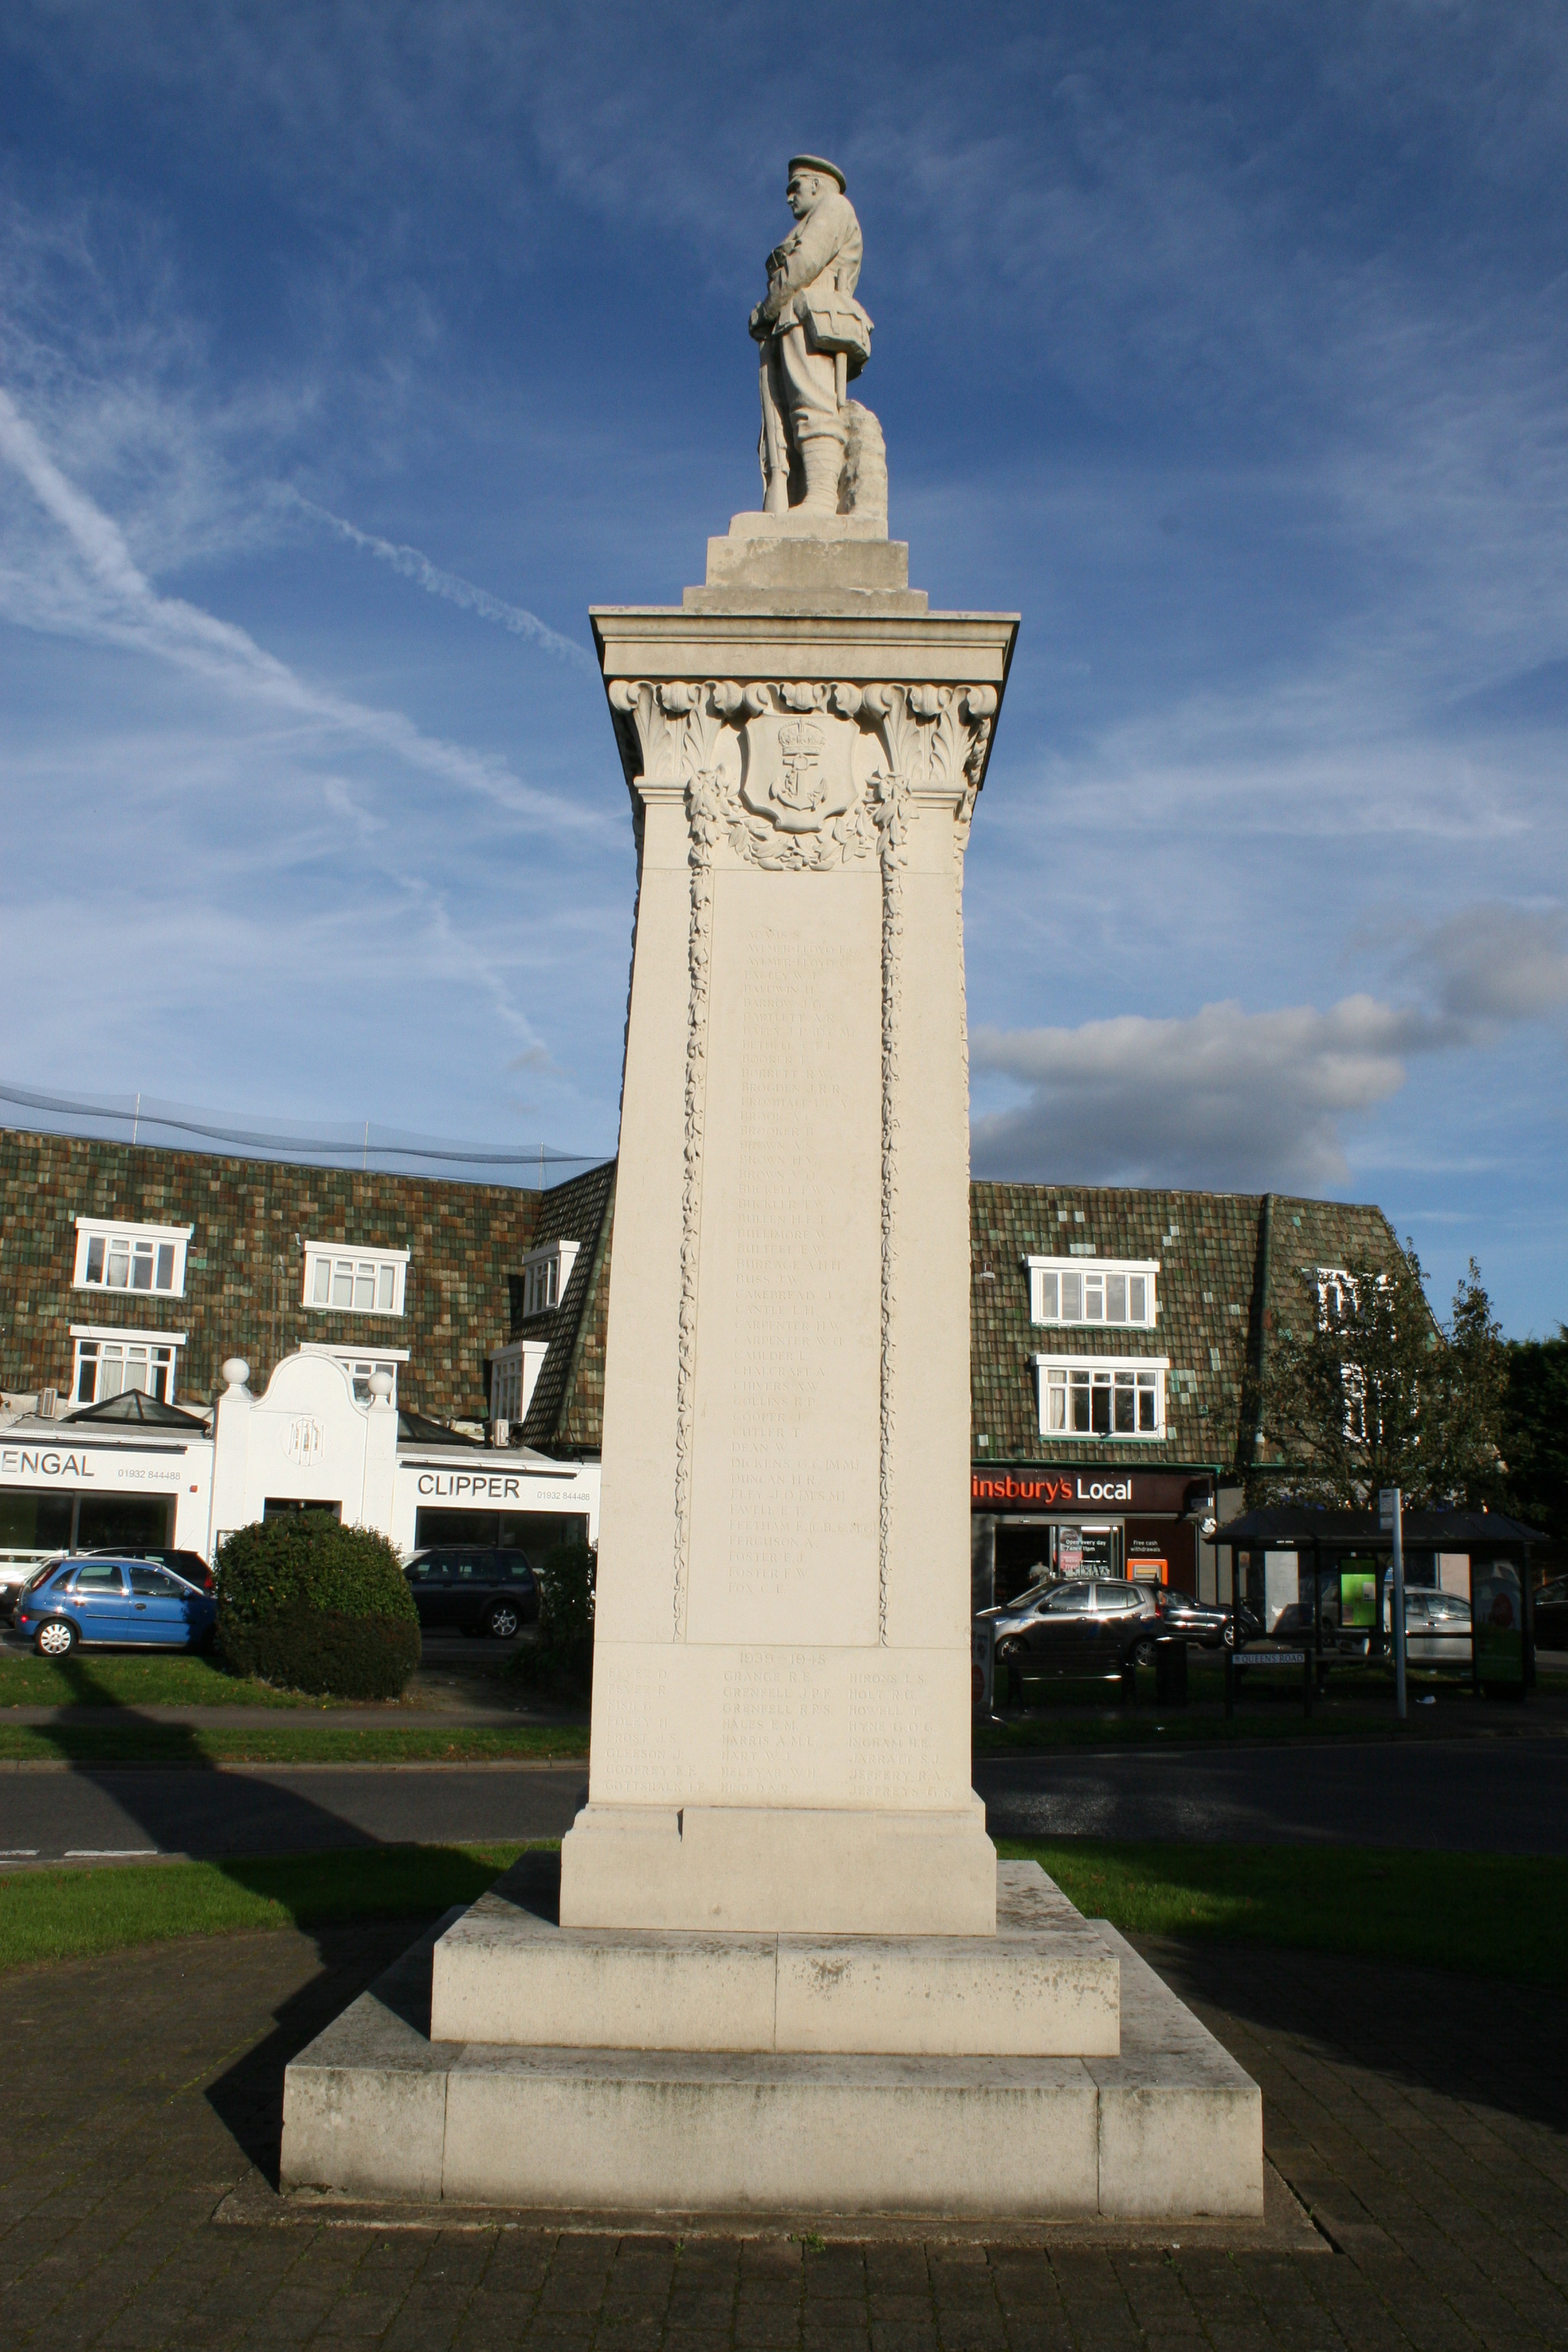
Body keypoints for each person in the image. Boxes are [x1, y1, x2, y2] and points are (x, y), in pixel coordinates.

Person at [749, 155, 872, 516]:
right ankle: (802, 495)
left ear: (816, 184)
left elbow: (804, 264)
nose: (789, 197)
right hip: (792, 323)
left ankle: (820, 497)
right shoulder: (814, 217)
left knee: (813, 405)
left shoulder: (834, 207)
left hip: (811, 323)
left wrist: (768, 308)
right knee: (789, 419)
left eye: (795, 187)